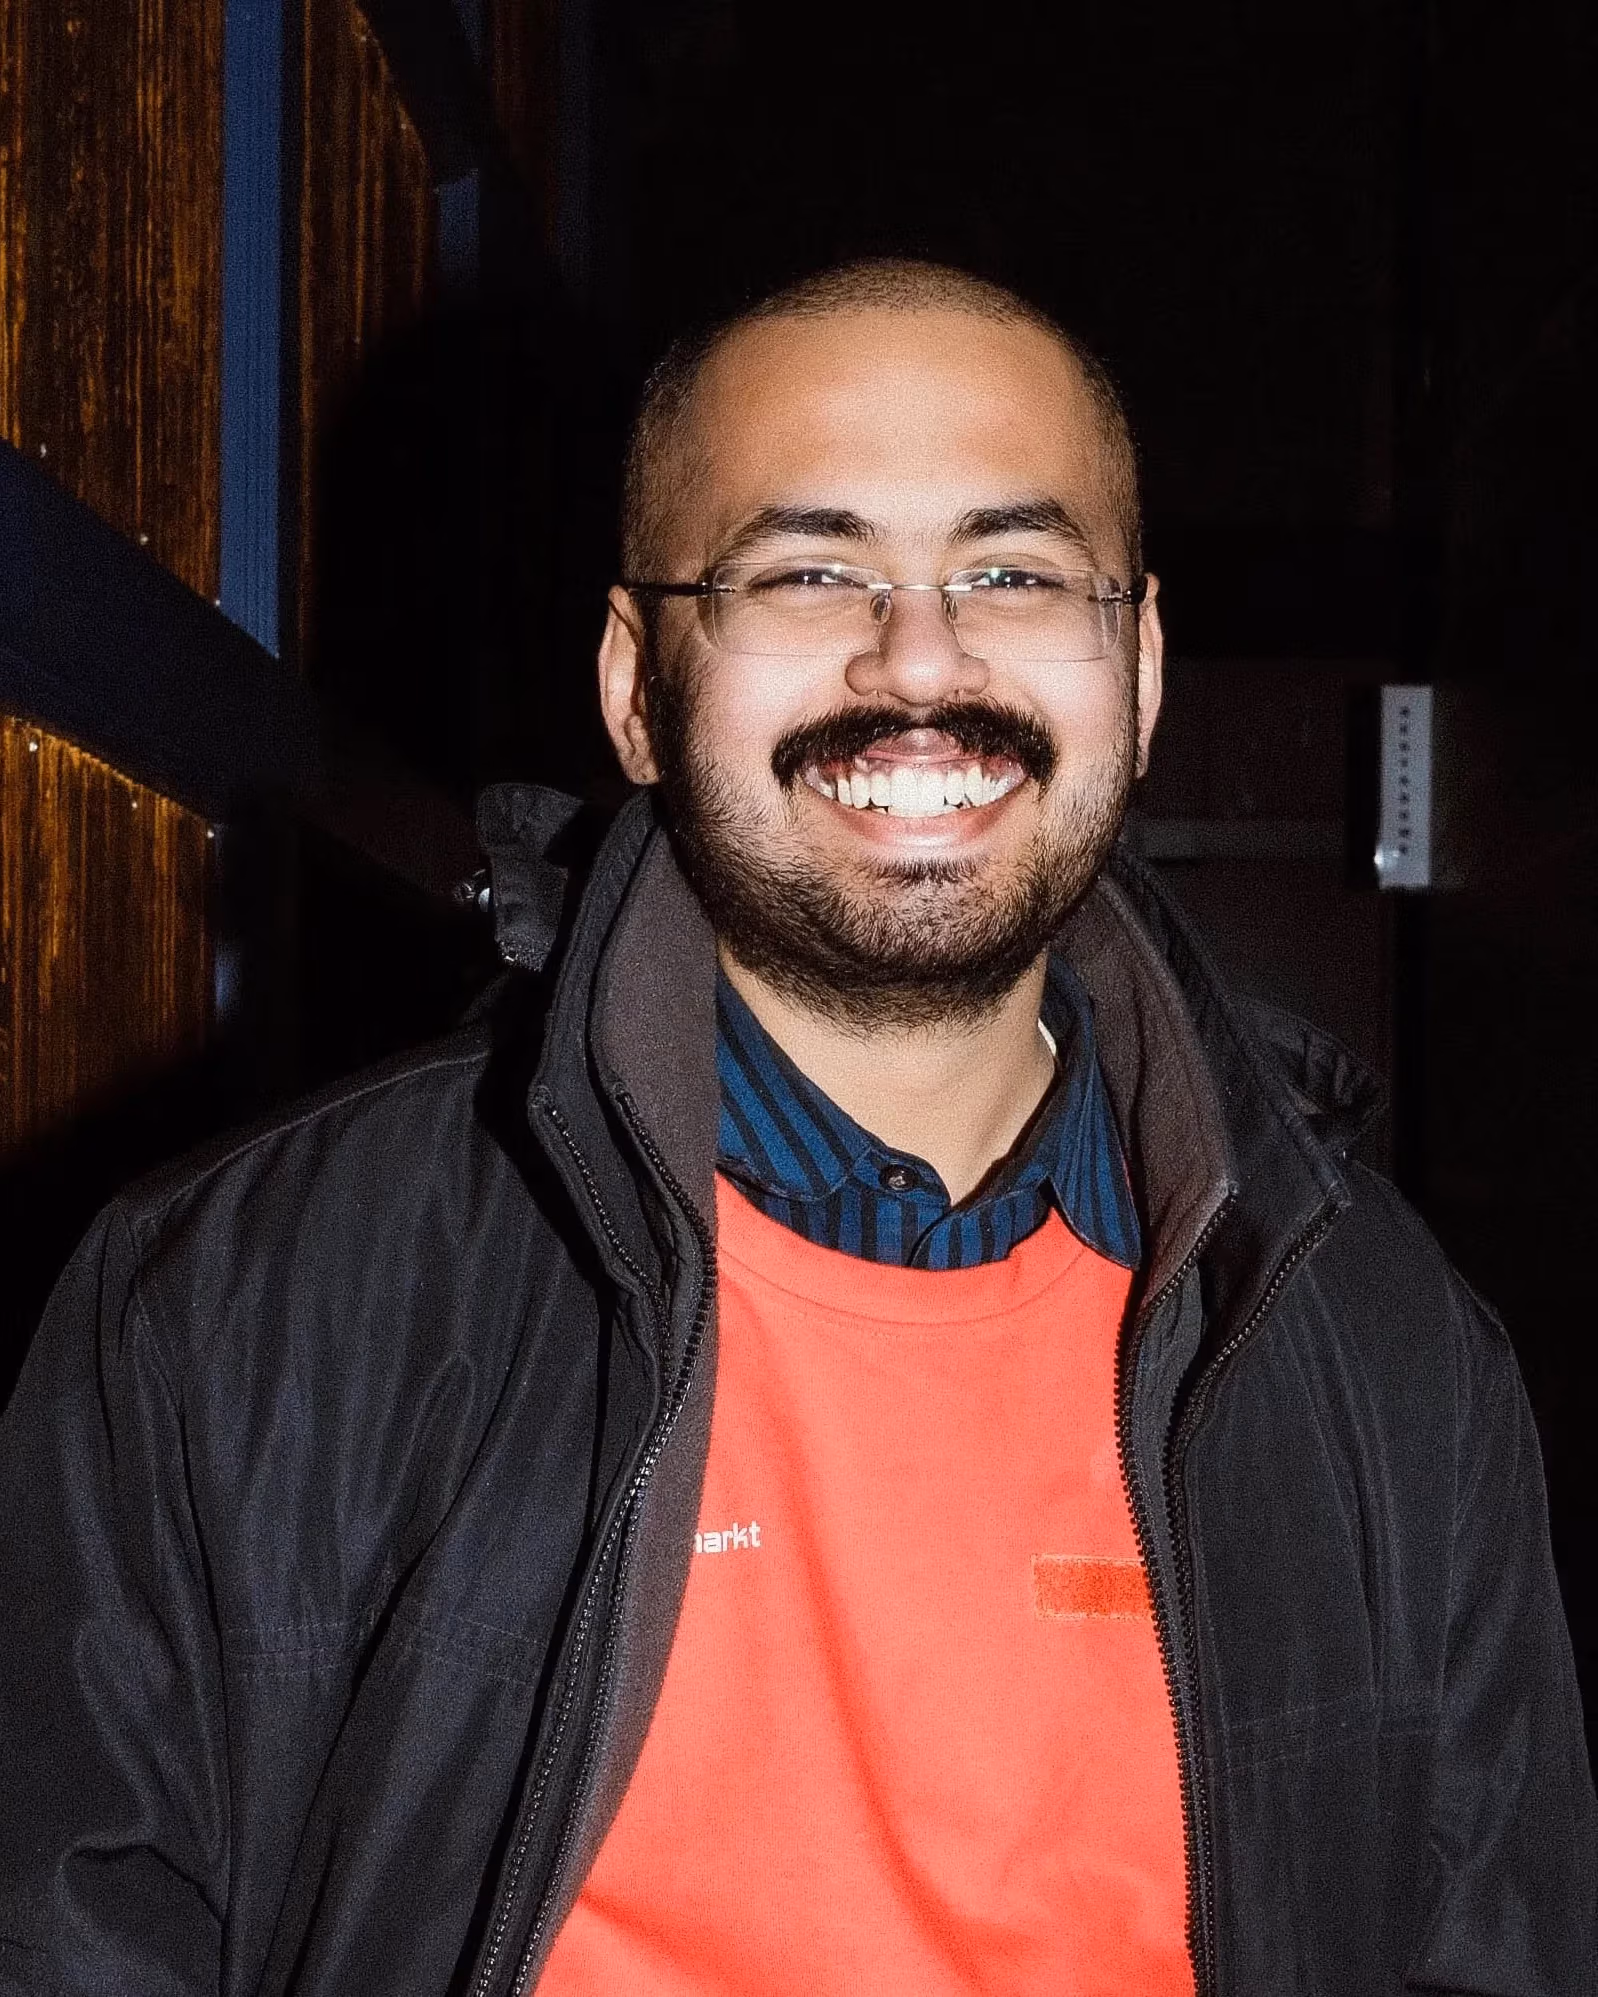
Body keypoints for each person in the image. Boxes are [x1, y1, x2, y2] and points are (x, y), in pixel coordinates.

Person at [0, 259, 1592, 1997]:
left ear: (1135, 668)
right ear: (634, 681)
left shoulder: (1387, 1351)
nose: (919, 657)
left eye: (1012, 570)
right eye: (808, 570)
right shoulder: (232, 1308)